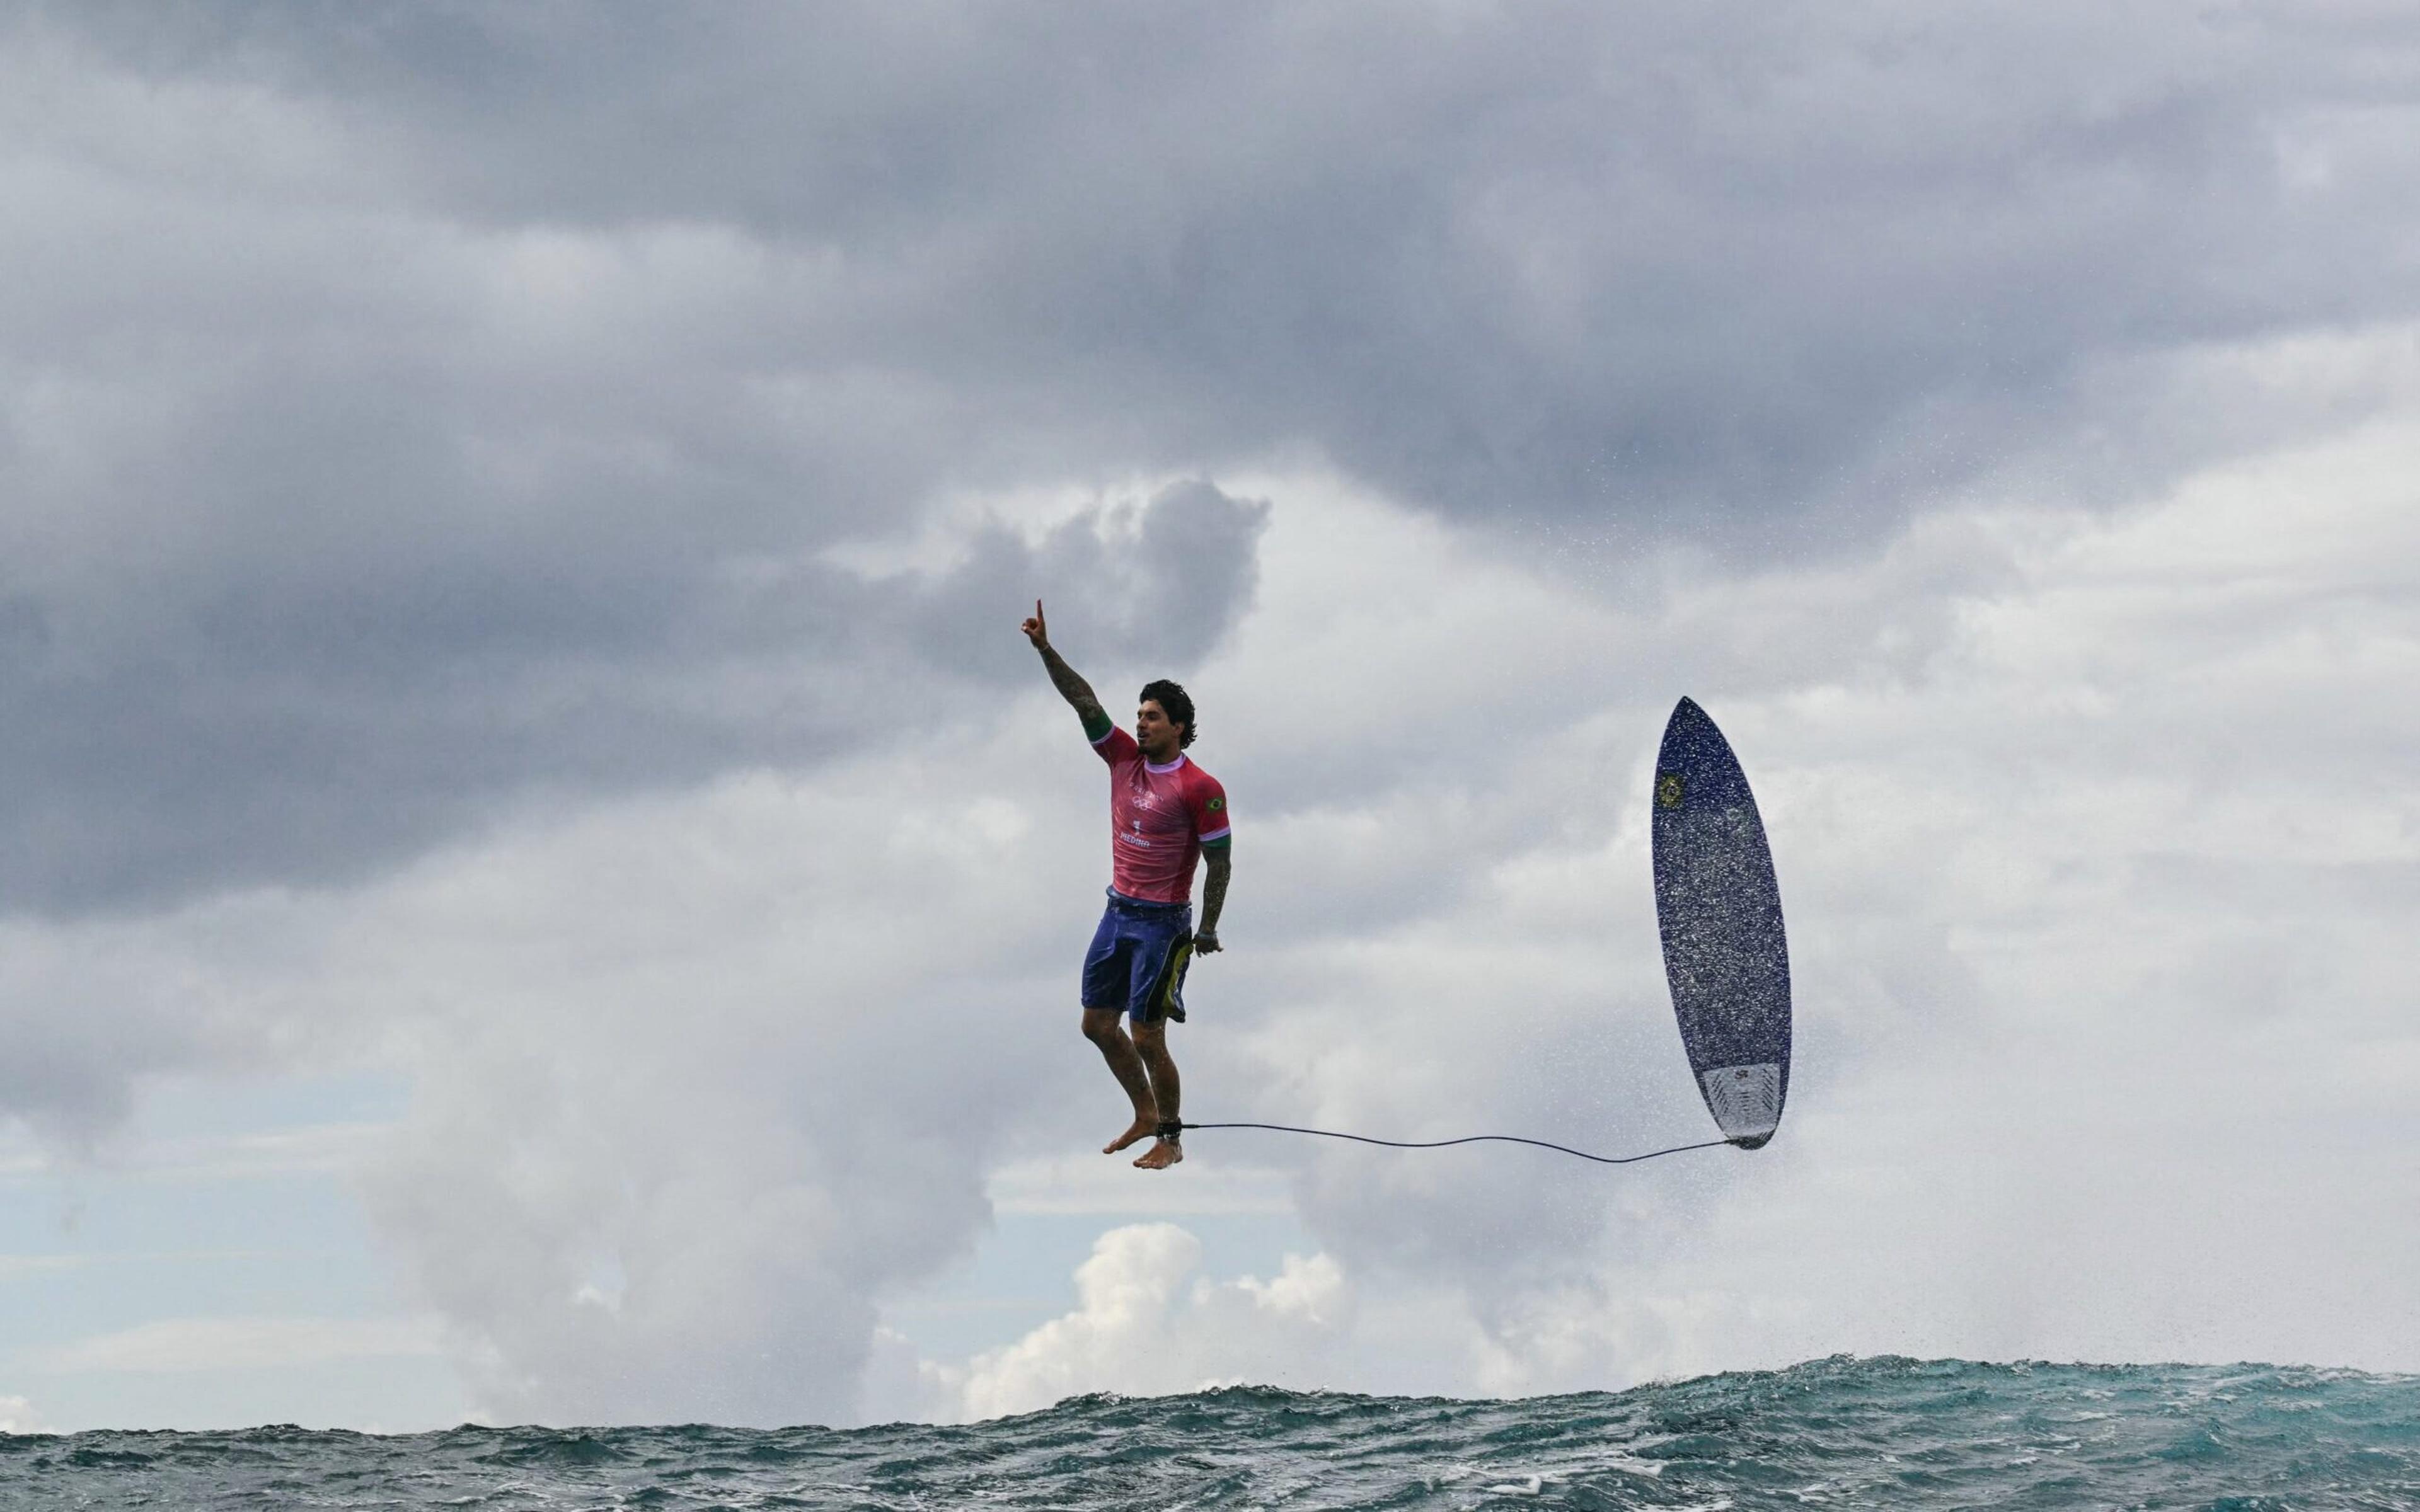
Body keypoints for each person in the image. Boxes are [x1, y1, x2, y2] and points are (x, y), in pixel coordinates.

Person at [1021, 599, 1231, 1171]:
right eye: (1139, 715)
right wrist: (1045, 650)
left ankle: (1171, 1137)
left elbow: (1220, 862)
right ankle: (1143, 1112)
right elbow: (1083, 700)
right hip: (1117, 912)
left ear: (1179, 728)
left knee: (1147, 1035)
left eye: (1153, 717)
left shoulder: (1200, 787)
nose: (1140, 723)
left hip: (1163, 926)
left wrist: (1208, 928)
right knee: (1096, 1025)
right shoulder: (1121, 759)